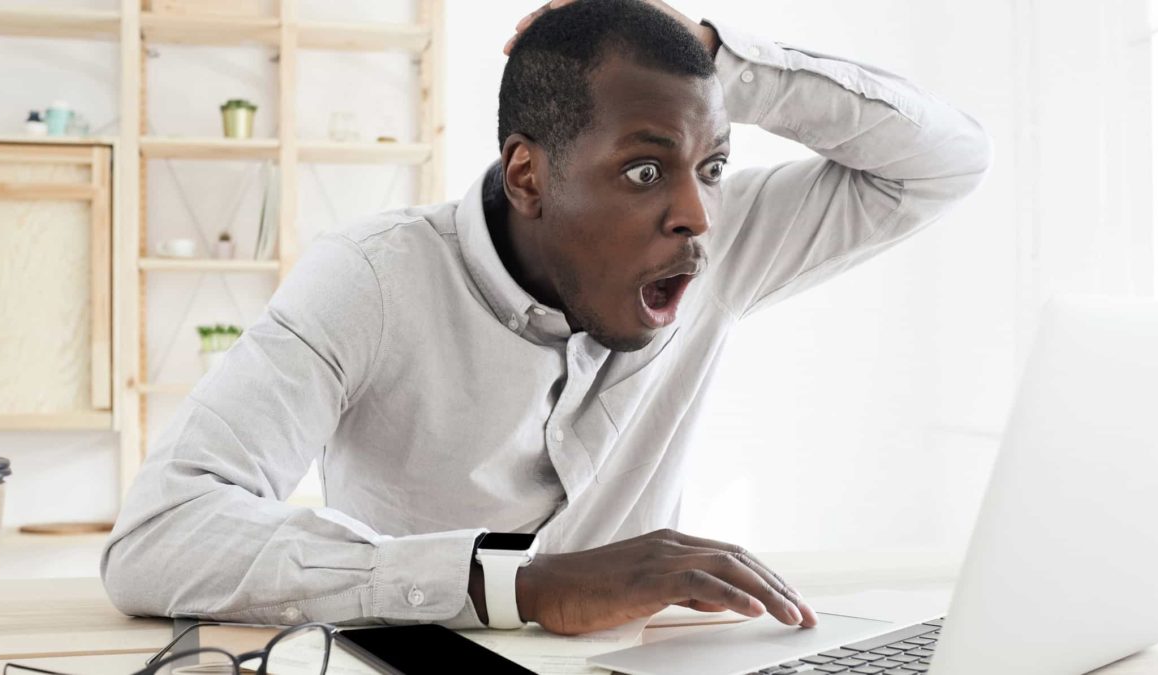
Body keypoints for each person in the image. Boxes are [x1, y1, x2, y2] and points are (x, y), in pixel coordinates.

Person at [102, 0, 991, 636]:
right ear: (528, 176)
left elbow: (945, 162)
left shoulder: (716, 244)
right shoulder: (372, 281)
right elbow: (159, 534)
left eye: (712, 167)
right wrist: (516, 583)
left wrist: (713, 58)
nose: (698, 216)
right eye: (646, 170)